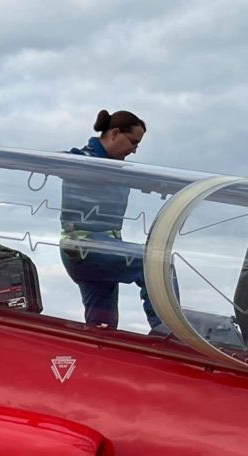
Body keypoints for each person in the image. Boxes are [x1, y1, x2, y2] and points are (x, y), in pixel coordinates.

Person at [60, 109, 161, 333]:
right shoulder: (80, 160)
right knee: (155, 263)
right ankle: (167, 334)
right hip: (86, 248)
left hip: (98, 250)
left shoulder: (118, 169)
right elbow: (40, 162)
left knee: (102, 327)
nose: (134, 150)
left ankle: (95, 359)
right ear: (115, 133)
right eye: (133, 142)